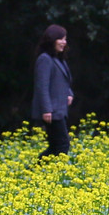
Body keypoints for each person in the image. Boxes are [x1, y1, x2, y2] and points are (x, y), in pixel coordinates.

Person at [32, 25, 73, 157]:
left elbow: (65, 81)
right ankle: (50, 172)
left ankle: (34, 172)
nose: (64, 42)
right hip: (52, 111)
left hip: (59, 110)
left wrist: (69, 94)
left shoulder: (59, 59)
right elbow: (42, 86)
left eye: (65, 39)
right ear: (52, 40)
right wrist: (46, 109)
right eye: (61, 39)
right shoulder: (45, 59)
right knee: (62, 144)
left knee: (55, 146)